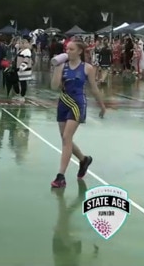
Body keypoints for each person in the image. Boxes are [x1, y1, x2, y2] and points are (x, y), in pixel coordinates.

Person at [50, 41, 106, 188]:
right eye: (66, 49)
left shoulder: (87, 68)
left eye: (71, 49)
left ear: (80, 51)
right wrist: (56, 68)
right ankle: (84, 159)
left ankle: (60, 176)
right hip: (63, 103)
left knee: (67, 137)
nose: (68, 51)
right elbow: (54, 86)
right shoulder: (62, 66)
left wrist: (102, 106)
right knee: (64, 138)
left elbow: (94, 89)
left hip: (78, 105)